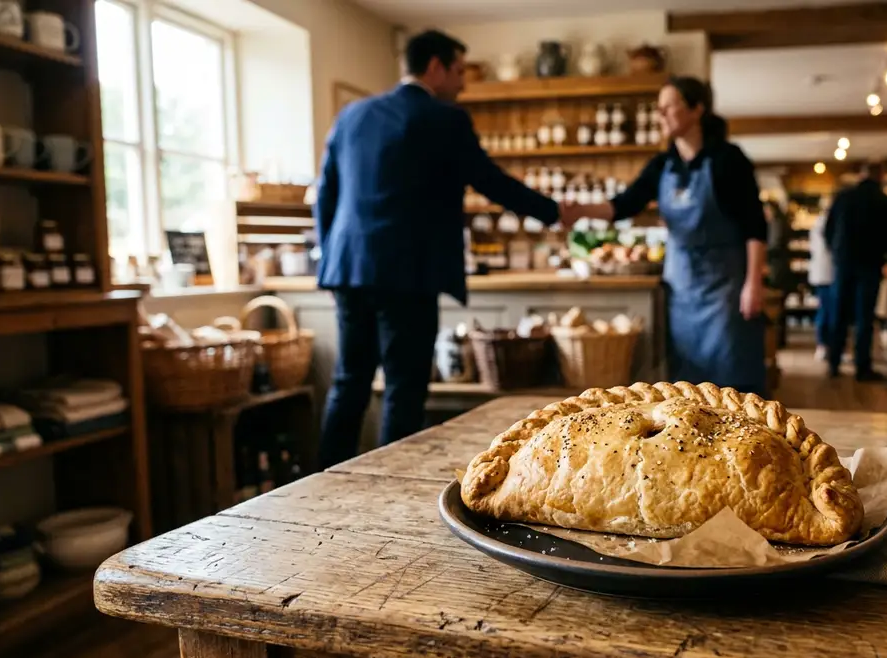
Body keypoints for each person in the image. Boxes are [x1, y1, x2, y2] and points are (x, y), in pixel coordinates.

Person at [313, 30, 574, 469]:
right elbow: (490, 181)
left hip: (350, 268)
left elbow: (326, 194)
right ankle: (392, 486)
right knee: (404, 386)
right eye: (457, 71)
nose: (462, 83)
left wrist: (332, 256)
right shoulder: (444, 119)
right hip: (407, 272)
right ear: (434, 66)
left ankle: (319, 480)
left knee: (349, 381)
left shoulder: (352, 115)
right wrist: (554, 211)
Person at [572, 77, 769, 395]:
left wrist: (754, 283)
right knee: (690, 384)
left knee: (736, 379)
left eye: (668, 106)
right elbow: (623, 205)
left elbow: (755, 225)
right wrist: (576, 211)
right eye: (658, 108)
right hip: (682, 287)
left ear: (696, 109)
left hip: (727, 288)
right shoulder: (662, 165)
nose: (660, 114)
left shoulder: (728, 159)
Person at [823, 162, 887, 381]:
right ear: (880, 175)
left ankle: (834, 362)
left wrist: (836, 252)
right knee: (864, 317)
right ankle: (861, 367)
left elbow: (828, 230)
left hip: (844, 262)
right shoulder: (884, 200)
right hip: (870, 263)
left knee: (839, 313)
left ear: (861, 174)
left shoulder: (844, 196)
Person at [807, 195, 834, 362]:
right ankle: (823, 345)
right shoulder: (824, 224)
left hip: (825, 273)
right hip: (826, 274)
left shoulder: (820, 223)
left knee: (827, 311)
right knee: (826, 312)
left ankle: (826, 345)